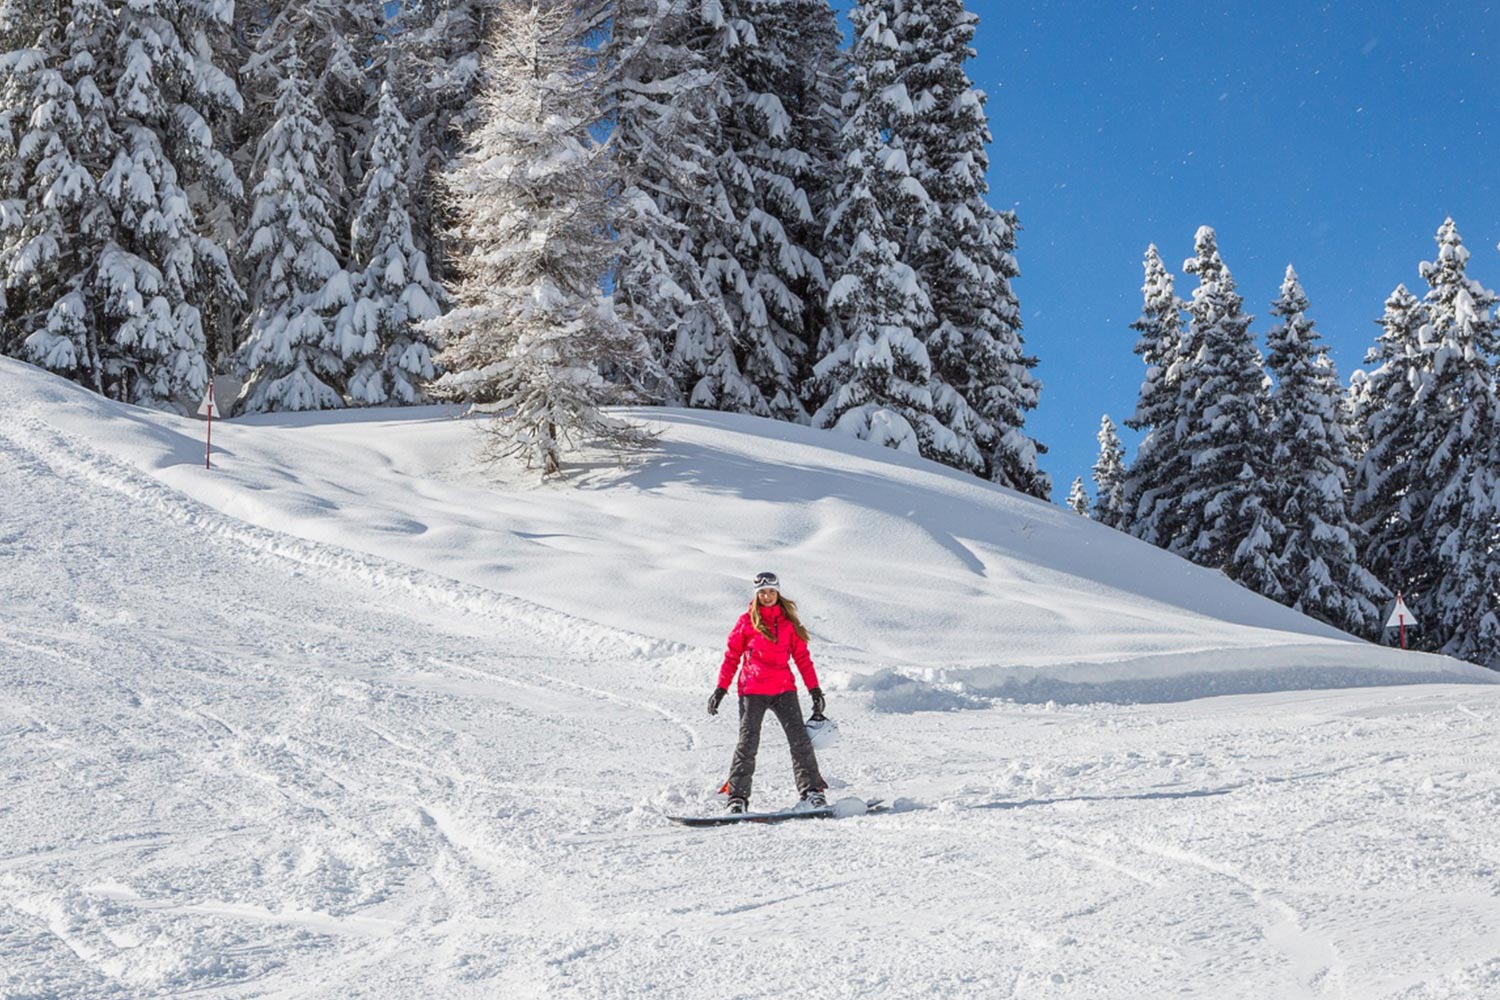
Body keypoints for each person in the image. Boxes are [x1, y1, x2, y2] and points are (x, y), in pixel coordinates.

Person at [707, 571, 828, 814]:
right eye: (762, 592)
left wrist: (815, 690)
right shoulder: (746, 622)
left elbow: (803, 658)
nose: (767, 596)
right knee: (748, 744)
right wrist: (721, 689)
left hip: (784, 690)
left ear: (778, 592)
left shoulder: (788, 623)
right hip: (753, 691)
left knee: (800, 742)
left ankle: (812, 792)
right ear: (756, 594)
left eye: (771, 591)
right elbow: (732, 657)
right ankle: (737, 799)